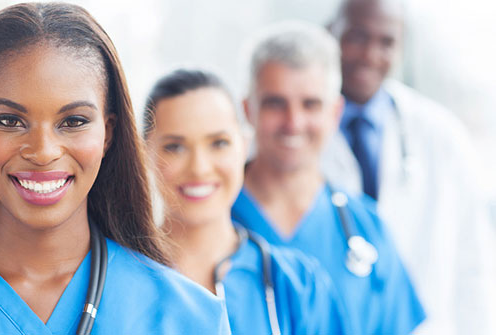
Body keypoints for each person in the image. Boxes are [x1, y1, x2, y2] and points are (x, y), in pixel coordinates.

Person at [0, 3, 231, 334]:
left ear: (108, 132)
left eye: (74, 121)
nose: (43, 152)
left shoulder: (192, 317)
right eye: (10, 121)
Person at [230, 21, 425, 334]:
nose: (293, 122)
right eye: (275, 103)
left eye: (311, 104)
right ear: (247, 110)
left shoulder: (367, 228)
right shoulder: (212, 219)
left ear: (335, 113)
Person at [323, 0, 496, 333]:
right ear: (331, 32)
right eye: (357, 36)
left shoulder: (440, 134)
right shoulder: (297, 132)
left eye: (386, 42)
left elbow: (474, 262)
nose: (370, 55)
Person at [143, 69, 351, 335]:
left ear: (243, 146)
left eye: (218, 143)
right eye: (175, 147)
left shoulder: (298, 286)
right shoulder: (116, 282)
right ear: (143, 153)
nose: (199, 168)